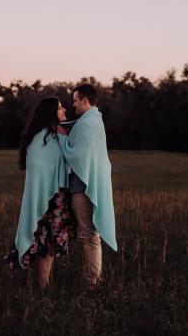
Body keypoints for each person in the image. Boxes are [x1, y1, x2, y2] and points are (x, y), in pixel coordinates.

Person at [4, 97, 76, 289]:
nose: (65, 110)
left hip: (58, 199)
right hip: (48, 198)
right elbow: (40, 168)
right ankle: (43, 285)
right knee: (44, 242)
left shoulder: (58, 135)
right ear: (52, 112)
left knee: (50, 243)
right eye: (61, 108)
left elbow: (71, 161)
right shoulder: (39, 139)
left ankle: (44, 285)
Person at [57, 84, 117, 285]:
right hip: (85, 186)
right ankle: (94, 278)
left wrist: (62, 138)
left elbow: (78, 155)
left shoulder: (87, 124)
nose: (72, 105)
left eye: (75, 100)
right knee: (90, 235)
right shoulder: (92, 121)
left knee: (89, 236)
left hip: (83, 188)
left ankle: (92, 281)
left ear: (84, 100)